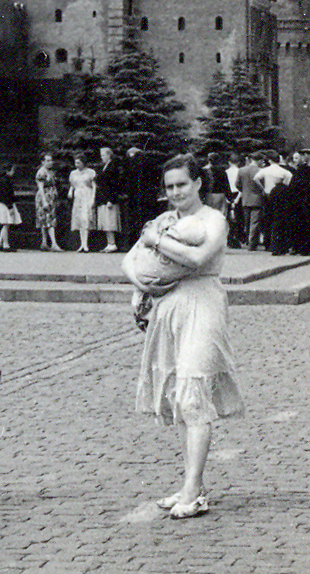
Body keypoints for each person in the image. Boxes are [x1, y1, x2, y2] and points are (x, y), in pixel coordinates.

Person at [122, 153, 244, 520]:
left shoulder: (214, 219)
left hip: (202, 304)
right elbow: (129, 257)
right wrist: (138, 280)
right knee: (181, 396)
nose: (175, 192)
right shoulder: (164, 220)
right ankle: (193, 482)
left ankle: (193, 490)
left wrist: (156, 242)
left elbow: (198, 259)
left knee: (193, 394)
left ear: (198, 184)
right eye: (170, 186)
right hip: (169, 308)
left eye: (182, 185)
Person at [124, 147, 158, 249]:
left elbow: (129, 181)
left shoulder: (132, 165)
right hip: (148, 196)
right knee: (147, 219)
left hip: (135, 197)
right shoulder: (149, 163)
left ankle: (135, 242)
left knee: (135, 219)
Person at [287, 149, 310, 255]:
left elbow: (297, 186)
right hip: (303, 202)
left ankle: (301, 248)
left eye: (297, 158)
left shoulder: (303, 170)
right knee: (301, 225)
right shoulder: (303, 170)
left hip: (301, 202)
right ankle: (302, 248)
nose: (295, 160)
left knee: (300, 225)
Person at [95, 147, 122, 252]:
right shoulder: (105, 167)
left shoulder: (112, 167)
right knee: (105, 221)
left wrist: (110, 199)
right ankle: (109, 243)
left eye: (103, 155)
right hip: (103, 198)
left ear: (109, 155)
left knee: (110, 221)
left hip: (109, 199)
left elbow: (113, 185)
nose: (102, 157)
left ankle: (112, 243)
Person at [68, 154, 97, 252]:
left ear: (83, 163)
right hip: (78, 197)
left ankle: (86, 244)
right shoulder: (73, 173)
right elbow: (72, 184)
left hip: (87, 195)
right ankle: (82, 244)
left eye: (78, 163)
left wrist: (93, 198)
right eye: (75, 162)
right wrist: (70, 191)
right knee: (79, 219)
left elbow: (94, 187)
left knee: (85, 218)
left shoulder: (91, 172)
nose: (76, 165)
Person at [237, 152, 265, 250]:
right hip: (257, 199)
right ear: (259, 160)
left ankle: (248, 240)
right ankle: (252, 244)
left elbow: (237, 184)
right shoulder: (261, 171)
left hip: (245, 199)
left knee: (247, 221)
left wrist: (244, 190)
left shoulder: (241, 170)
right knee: (255, 222)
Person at [34, 153, 62, 251]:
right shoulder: (41, 172)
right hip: (44, 196)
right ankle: (54, 243)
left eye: (51, 160)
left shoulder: (50, 172)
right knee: (48, 219)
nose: (50, 162)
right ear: (43, 162)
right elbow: (40, 188)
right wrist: (44, 201)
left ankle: (44, 242)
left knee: (46, 219)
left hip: (51, 196)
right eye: (48, 161)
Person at [0, 163, 20, 252]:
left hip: (4, 204)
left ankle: (0, 243)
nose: (13, 172)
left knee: (5, 224)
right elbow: (6, 195)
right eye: (12, 170)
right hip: (6, 204)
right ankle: (6, 245)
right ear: (8, 171)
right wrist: (10, 207)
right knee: (6, 224)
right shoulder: (5, 181)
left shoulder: (3, 180)